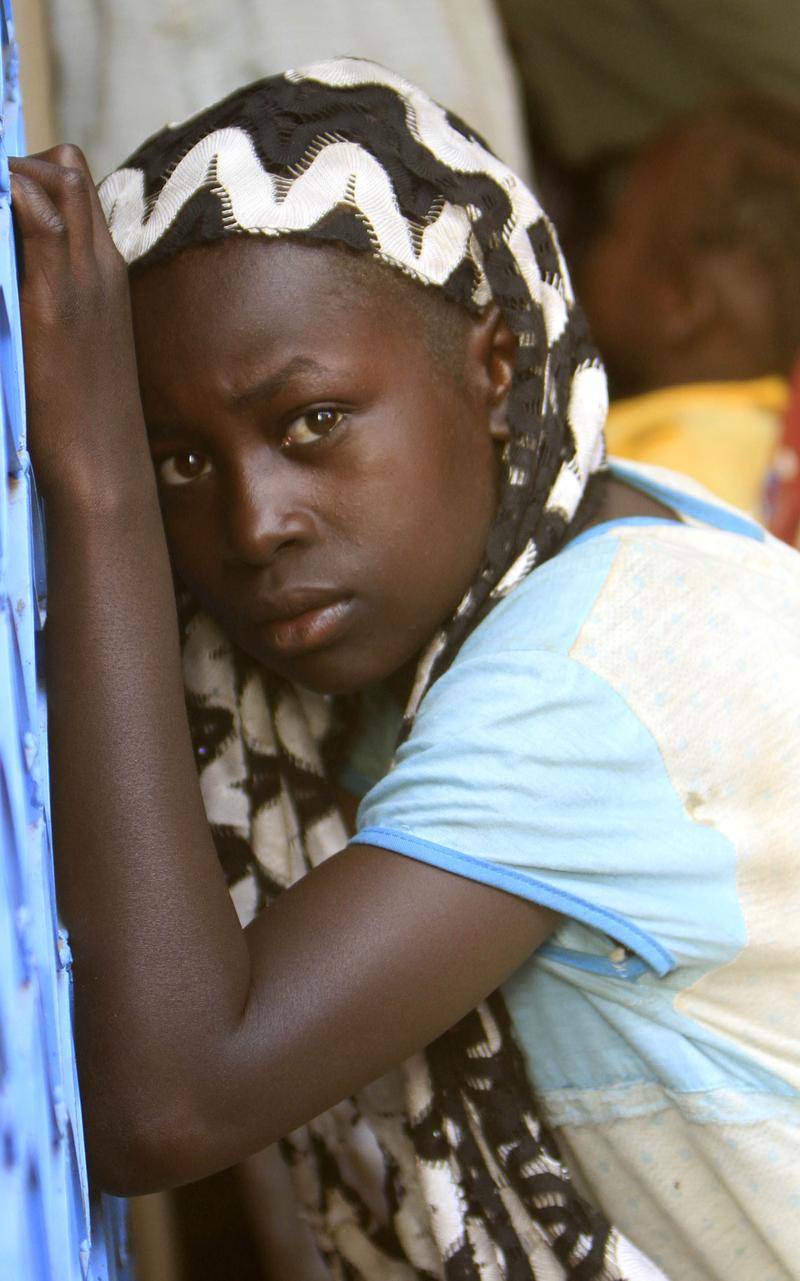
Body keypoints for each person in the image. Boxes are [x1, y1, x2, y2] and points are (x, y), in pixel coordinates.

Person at [10, 58, 800, 1281]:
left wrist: (101, 479)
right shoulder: (545, 551)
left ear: (489, 370)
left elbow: (171, 1098)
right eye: (180, 461)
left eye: (310, 422)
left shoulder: (603, 667)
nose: (253, 522)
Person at [573, 92, 800, 531]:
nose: (587, 249)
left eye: (613, 227)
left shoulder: (653, 479)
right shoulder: (764, 454)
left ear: (677, 303)